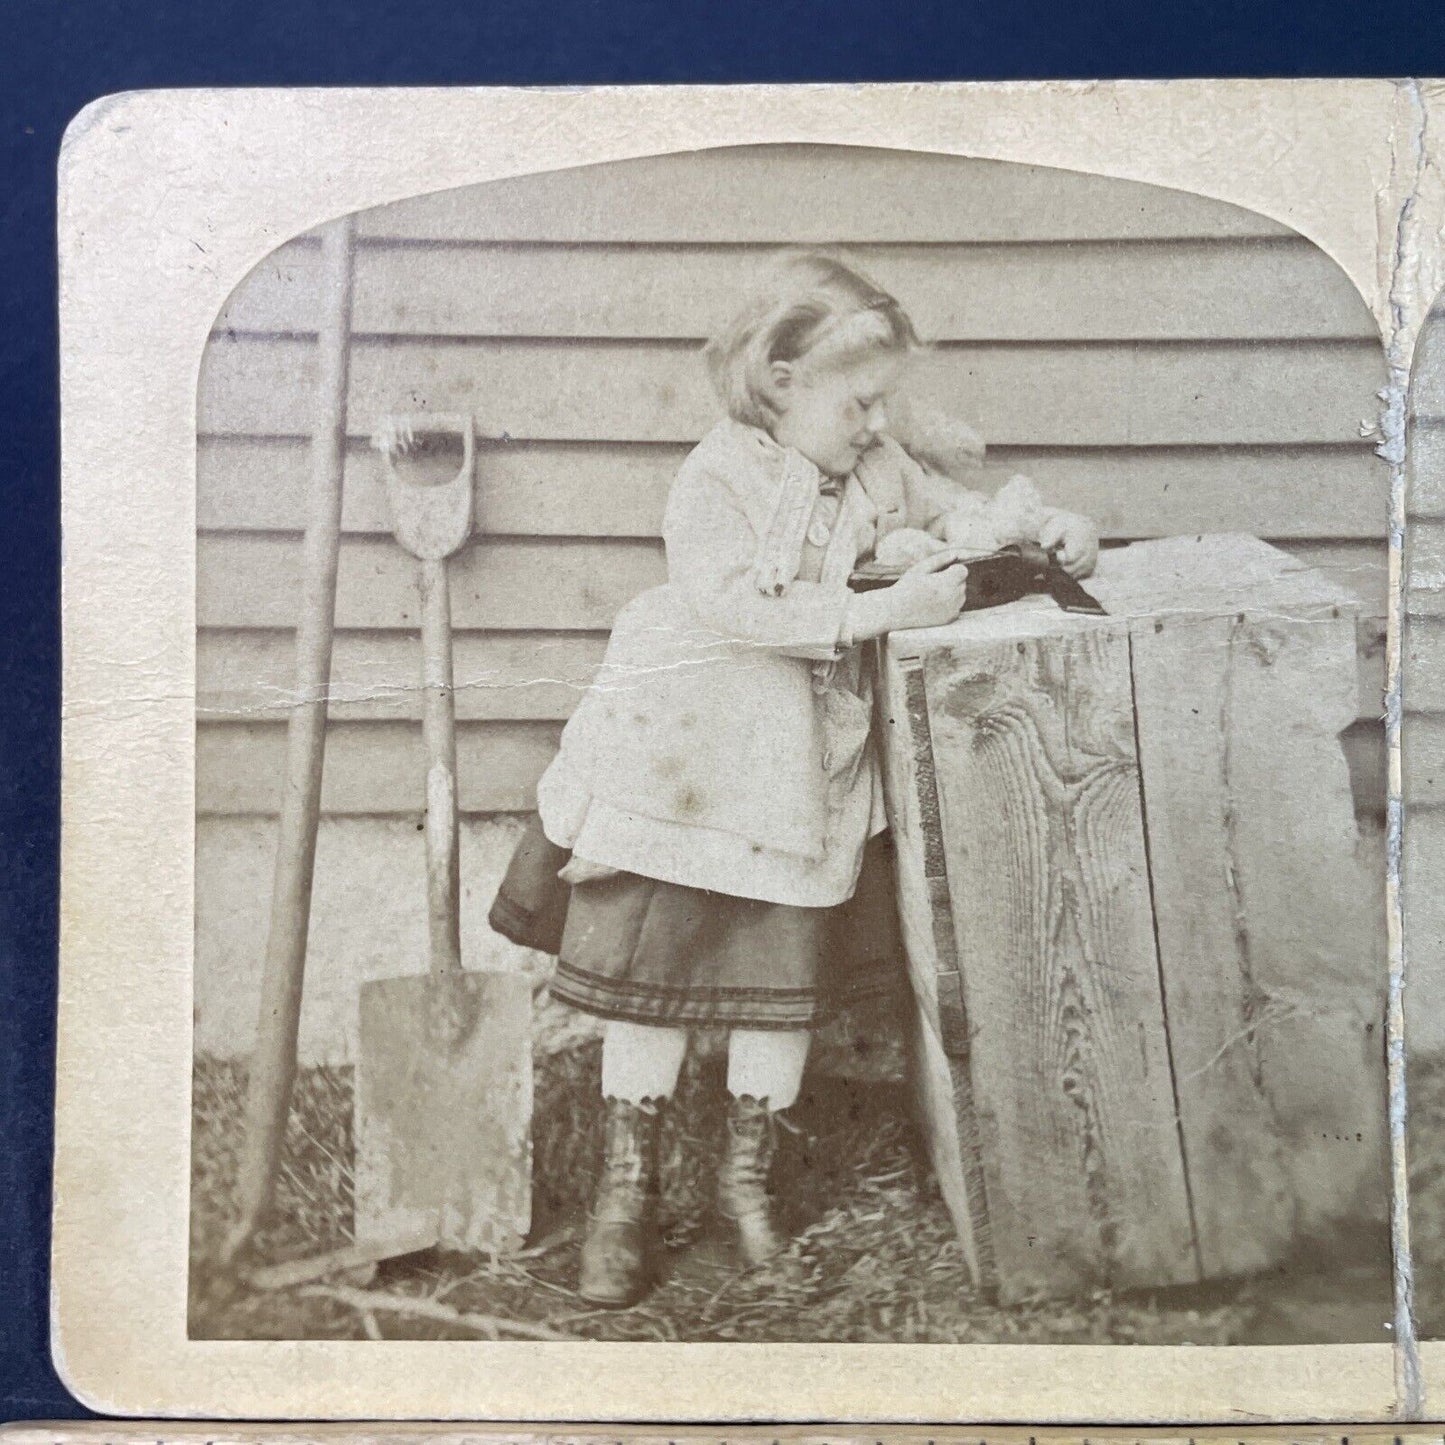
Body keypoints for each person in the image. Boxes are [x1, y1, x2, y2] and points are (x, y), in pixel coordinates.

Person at [489, 251, 1098, 1307]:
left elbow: (958, 515)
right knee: (659, 967)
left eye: (883, 405)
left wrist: (1043, 531)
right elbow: (729, 604)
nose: (875, 424)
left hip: (801, 771)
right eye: (859, 401)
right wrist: (872, 612)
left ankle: (743, 1182)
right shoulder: (716, 476)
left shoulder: (875, 468)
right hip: (690, 749)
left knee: (776, 974)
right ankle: (623, 1197)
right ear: (778, 378)